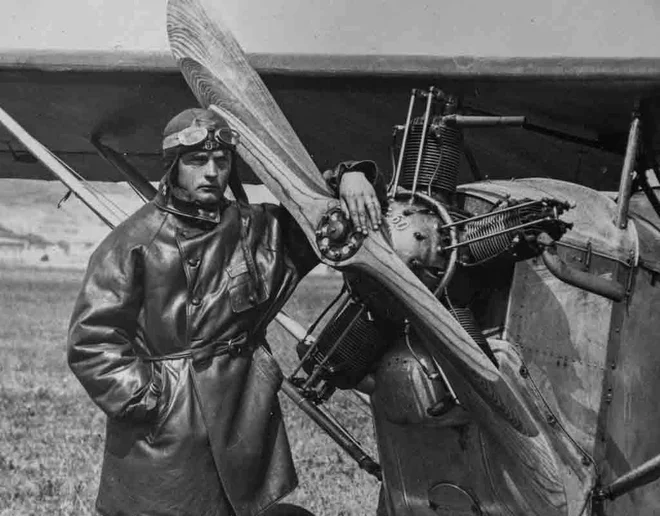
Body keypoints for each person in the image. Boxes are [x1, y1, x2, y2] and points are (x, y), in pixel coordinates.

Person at [67, 107, 384, 516]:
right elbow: (91, 343)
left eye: (221, 160)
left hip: (240, 410)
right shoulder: (132, 243)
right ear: (173, 167)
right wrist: (153, 401)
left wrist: (351, 176)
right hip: (170, 426)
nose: (212, 172)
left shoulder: (256, 228)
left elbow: (325, 222)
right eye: (198, 161)